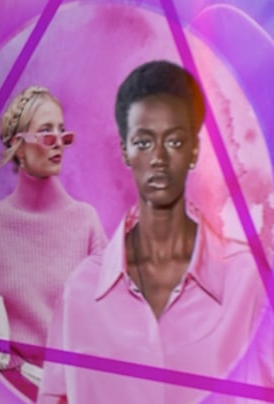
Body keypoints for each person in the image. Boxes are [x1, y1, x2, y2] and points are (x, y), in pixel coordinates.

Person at [38, 60, 271, 403]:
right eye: (144, 143)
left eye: (174, 142)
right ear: (125, 151)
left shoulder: (248, 281)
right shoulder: (80, 291)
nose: (159, 157)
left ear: (194, 151)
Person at [0, 86, 107, 400]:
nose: (58, 141)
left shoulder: (86, 222)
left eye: (62, 132)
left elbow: (109, 315)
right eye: (46, 132)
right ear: (17, 146)